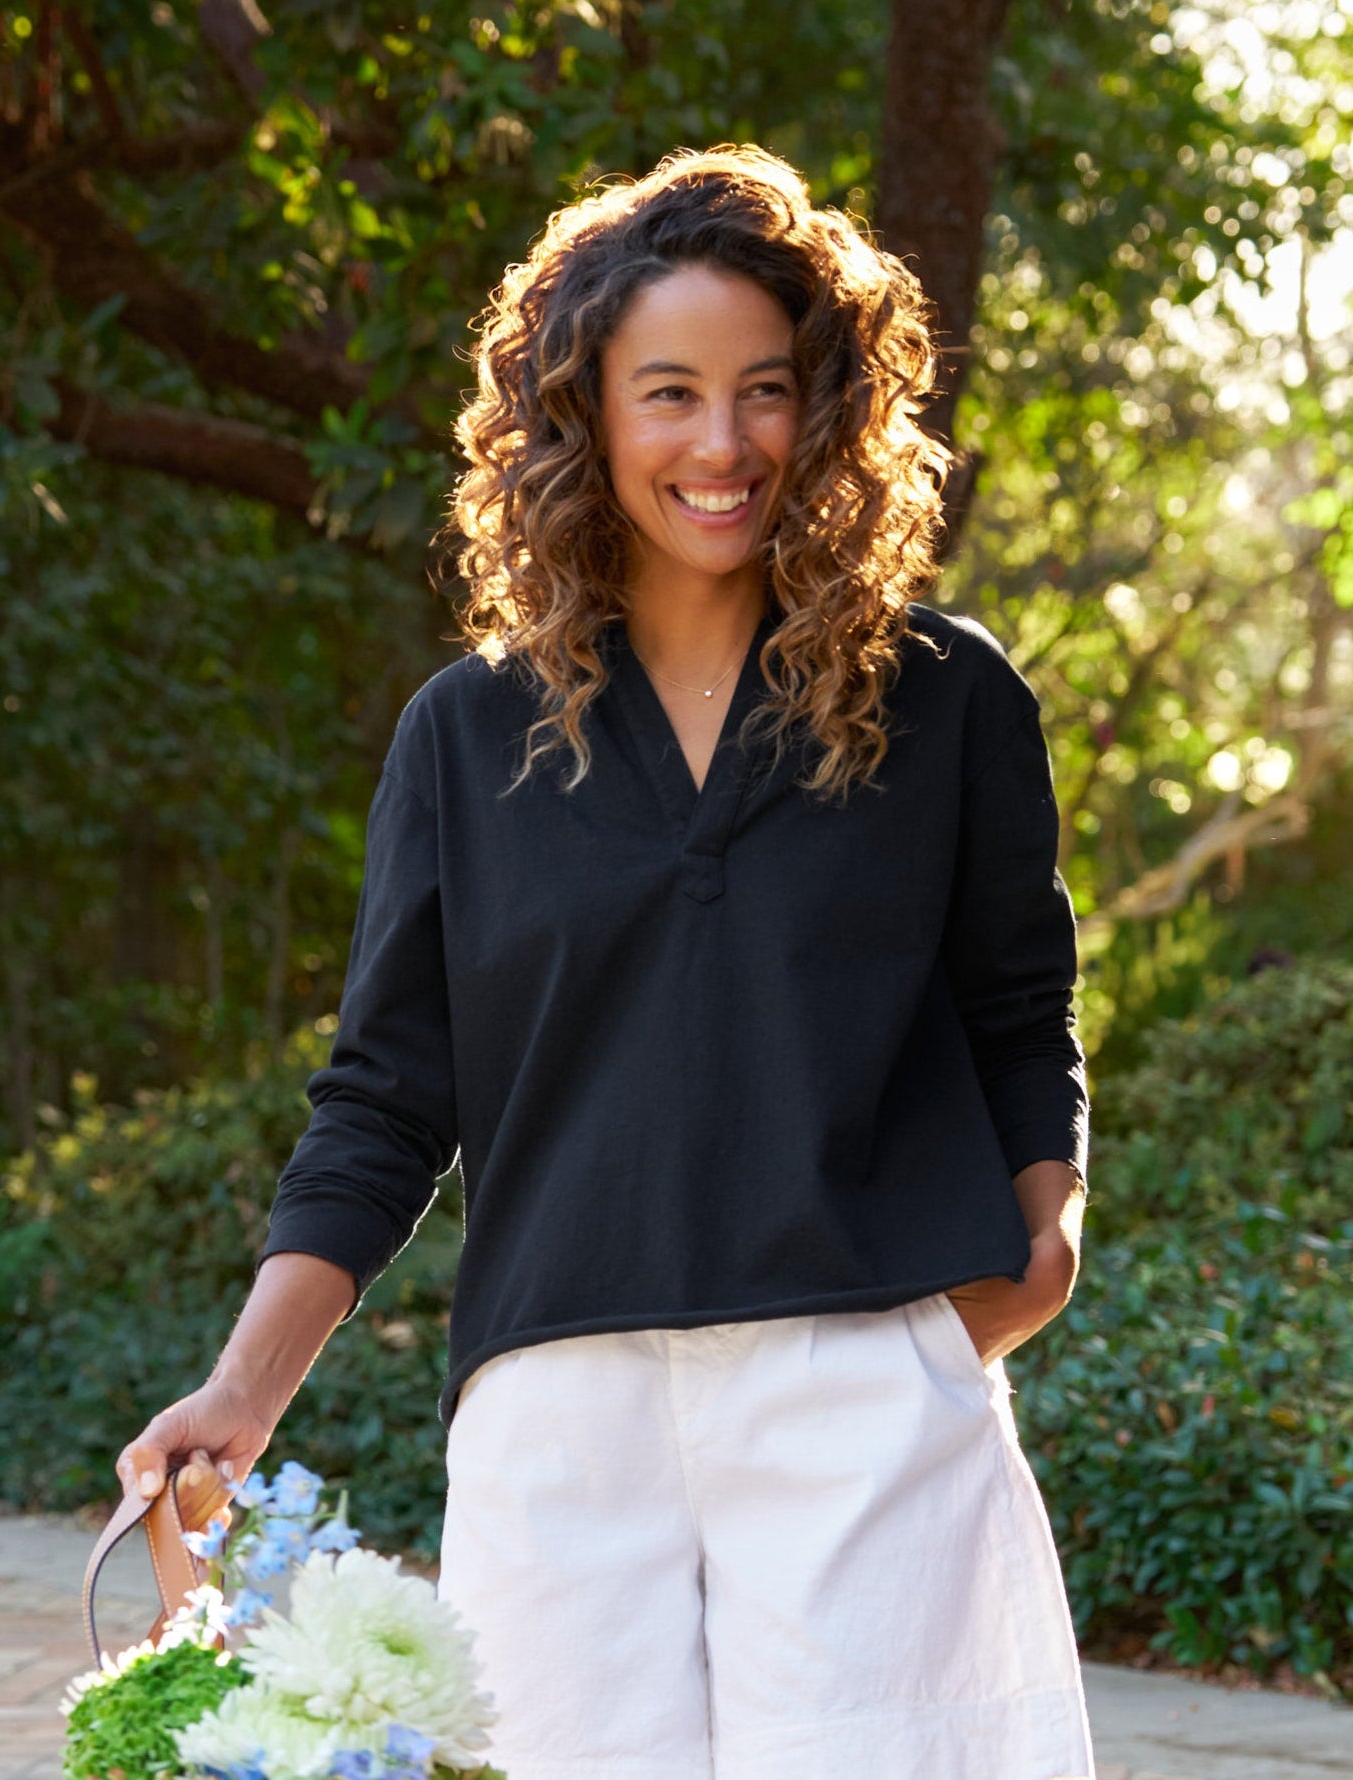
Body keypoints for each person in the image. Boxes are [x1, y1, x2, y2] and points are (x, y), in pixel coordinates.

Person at [119, 145, 1094, 1780]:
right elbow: (384, 1099)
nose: (723, 445)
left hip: (863, 1393)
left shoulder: (947, 698)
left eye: (767, 390)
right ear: (583, 419)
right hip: (559, 1415)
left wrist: (1041, 1239)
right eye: (670, 394)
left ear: (831, 408)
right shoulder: (466, 736)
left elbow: (1019, 1007)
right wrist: (242, 1392)